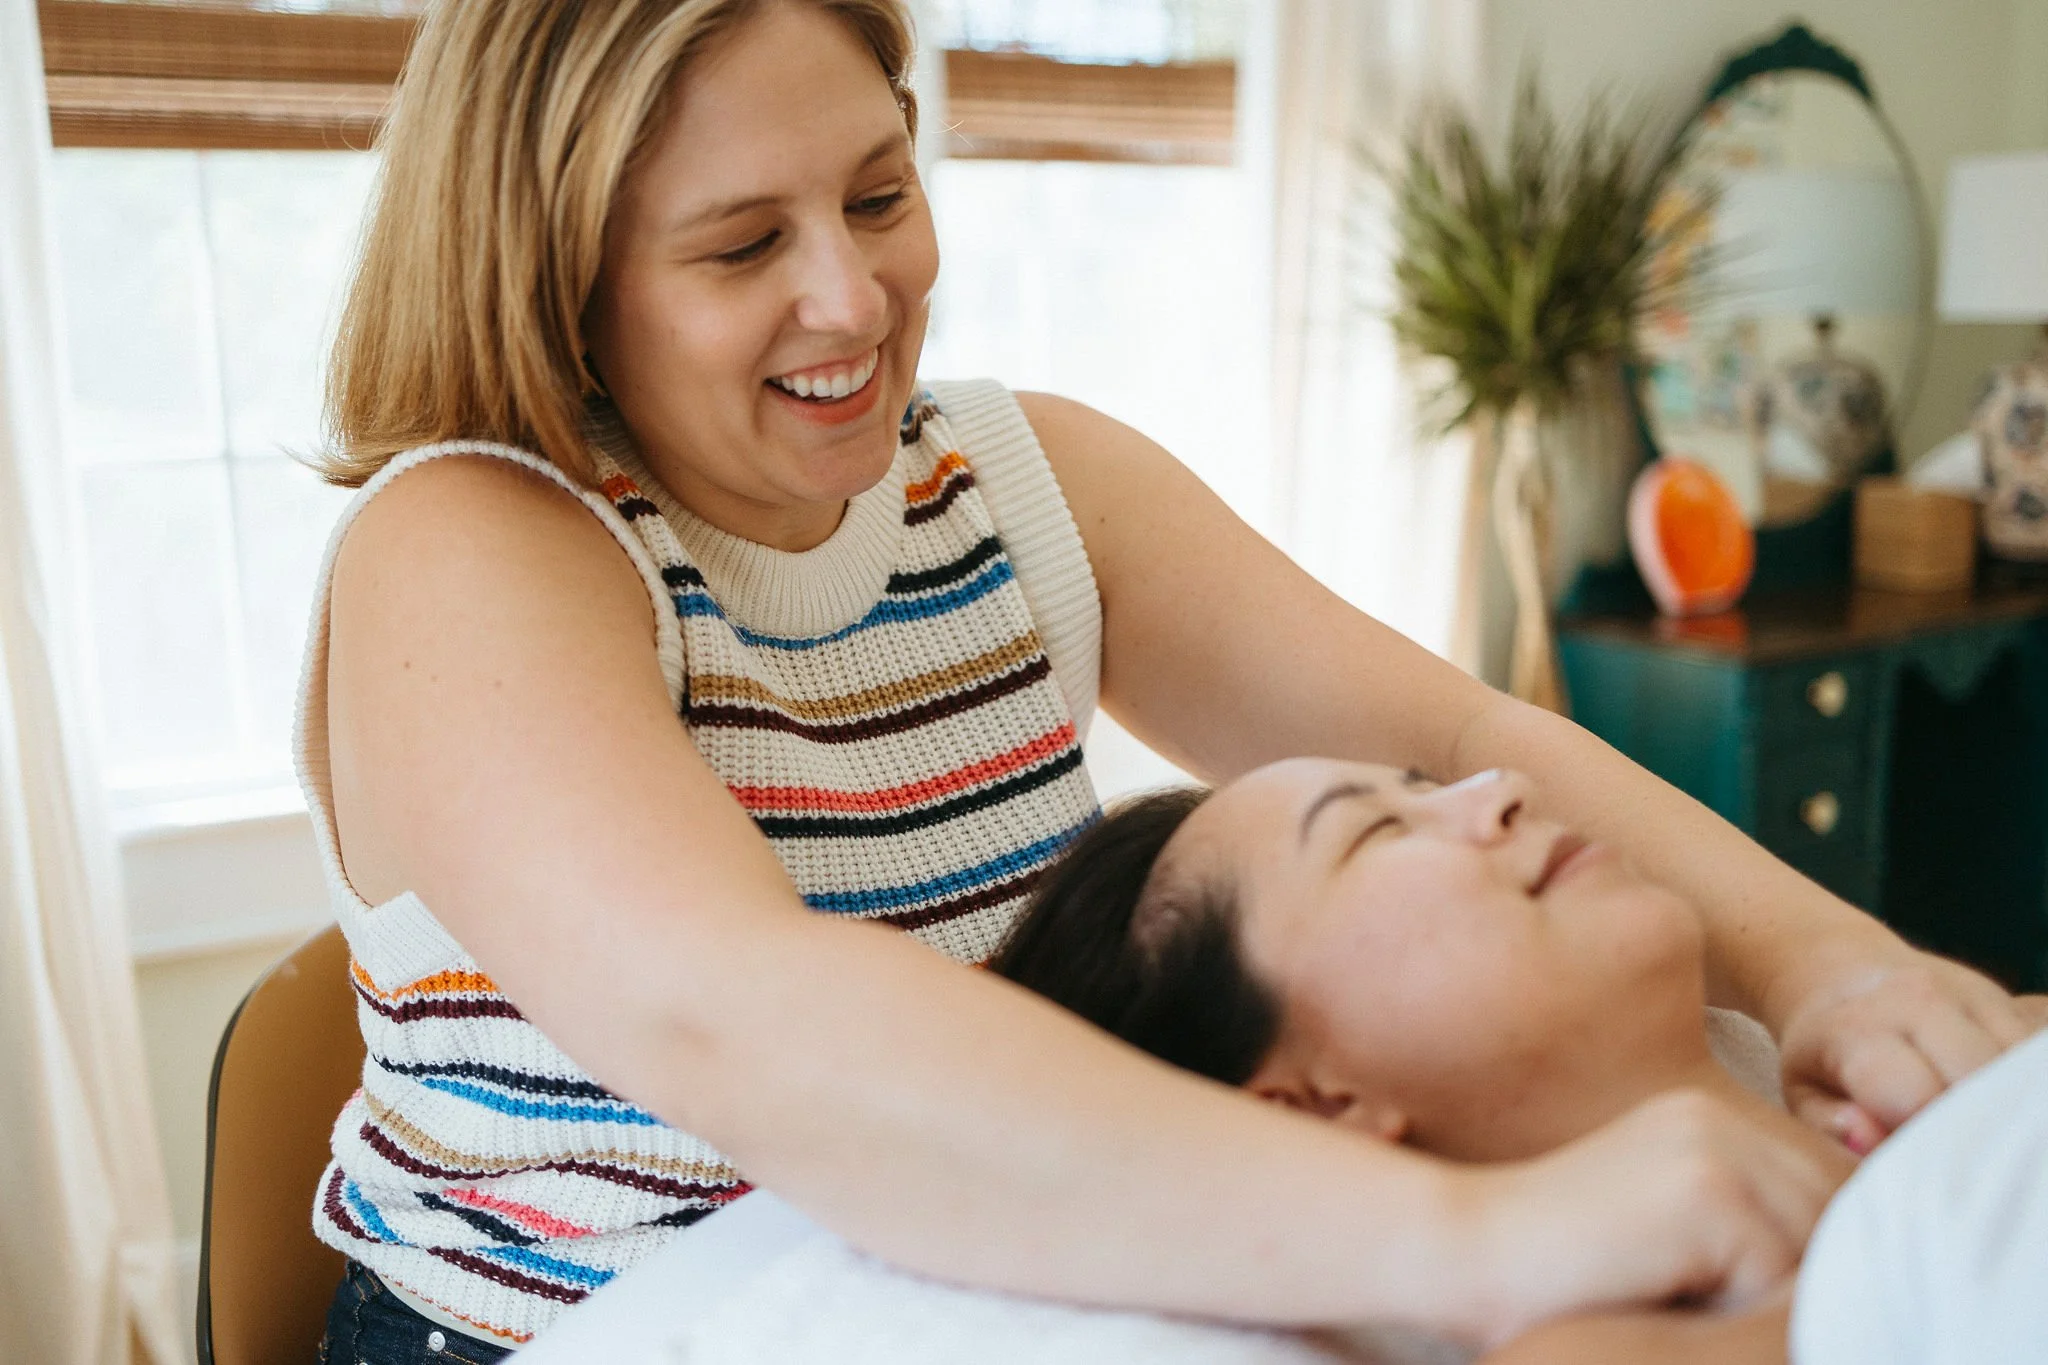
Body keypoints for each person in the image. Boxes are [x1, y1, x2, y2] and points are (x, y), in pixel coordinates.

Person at [300, 0, 2038, 1359]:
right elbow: (738, 1018)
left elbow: (1444, 737)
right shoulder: (471, 545)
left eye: (880, 196)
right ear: (560, 274)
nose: (851, 296)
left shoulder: (1016, 481)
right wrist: (1483, 1239)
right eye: (740, 248)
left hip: (988, 1268)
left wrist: (1831, 966)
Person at [988, 762, 2045, 1363]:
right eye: (1376, 833)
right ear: (1312, 1101)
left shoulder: (1976, 1048)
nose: (1498, 787)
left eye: (1423, 782)